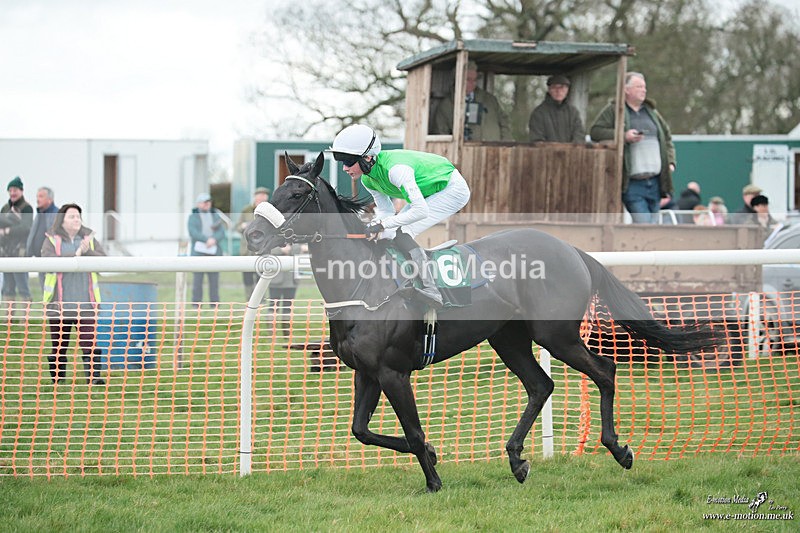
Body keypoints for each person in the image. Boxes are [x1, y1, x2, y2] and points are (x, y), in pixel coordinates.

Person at [330, 124, 471, 308]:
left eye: (348, 162)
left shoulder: (396, 170)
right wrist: (377, 225)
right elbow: (386, 211)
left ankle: (431, 290)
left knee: (402, 231)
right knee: (390, 233)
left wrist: (382, 224)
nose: (344, 168)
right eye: (341, 162)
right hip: (429, 192)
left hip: (452, 189)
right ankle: (400, 280)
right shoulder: (367, 179)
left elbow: (421, 211)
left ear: (367, 157)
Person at [589, 72, 676, 223]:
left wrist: (671, 162)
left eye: (644, 87)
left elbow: (667, 138)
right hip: (632, 182)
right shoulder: (614, 110)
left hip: (655, 181)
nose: (644, 90)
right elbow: (595, 132)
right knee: (644, 225)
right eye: (639, 87)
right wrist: (623, 136)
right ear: (626, 90)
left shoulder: (652, 112)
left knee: (653, 226)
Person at [41, 203, 107, 385]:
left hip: (86, 303)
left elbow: (104, 262)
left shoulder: (89, 239)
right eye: (72, 216)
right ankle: (58, 380)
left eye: (78, 216)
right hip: (59, 305)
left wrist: (87, 252)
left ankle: (94, 379)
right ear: (62, 220)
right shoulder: (50, 240)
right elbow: (47, 261)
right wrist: (75, 256)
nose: (76, 219)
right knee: (59, 346)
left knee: (89, 343)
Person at [432, 61, 511, 141]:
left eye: (474, 80)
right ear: (457, 79)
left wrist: (505, 145)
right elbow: (440, 135)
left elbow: (504, 123)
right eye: (468, 79)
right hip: (462, 152)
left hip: (493, 151)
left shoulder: (490, 100)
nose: (472, 83)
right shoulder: (446, 106)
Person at [188, 193, 226, 305]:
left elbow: (221, 232)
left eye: (208, 202)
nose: (207, 204)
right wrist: (206, 240)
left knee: (214, 281)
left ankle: (214, 304)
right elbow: (193, 232)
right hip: (198, 253)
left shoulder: (215, 215)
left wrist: (214, 239)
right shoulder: (193, 217)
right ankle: (196, 304)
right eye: (204, 202)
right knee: (197, 281)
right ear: (199, 204)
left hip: (214, 252)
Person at [1, 176, 34, 304]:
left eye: (15, 190)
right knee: (7, 288)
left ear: (21, 191)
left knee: (23, 287)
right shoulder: (4, 208)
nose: (12, 193)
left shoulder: (27, 208)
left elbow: (25, 227)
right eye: (10, 190)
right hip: (5, 252)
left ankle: (24, 321)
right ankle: (8, 320)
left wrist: (8, 230)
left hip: (20, 252)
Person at [528, 74, 584, 143]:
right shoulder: (538, 113)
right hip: (546, 153)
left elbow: (579, 136)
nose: (558, 91)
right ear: (549, 89)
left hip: (571, 153)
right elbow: (537, 140)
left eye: (562, 87)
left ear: (567, 90)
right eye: (554, 87)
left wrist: (571, 150)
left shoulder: (573, 112)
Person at [236, 186, 270, 299]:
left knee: (260, 276)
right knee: (247, 277)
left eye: (263, 196)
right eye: (259, 196)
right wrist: (243, 226)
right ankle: (248, 300)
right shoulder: (246, 210)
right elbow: (237, 227)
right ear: (255, 197)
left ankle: (261, 301)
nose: (261, 198)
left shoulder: (270, 211)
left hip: (262, 250)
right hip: (247, 249)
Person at [27, 186, 59, 290]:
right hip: (39, 259)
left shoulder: (56, 214)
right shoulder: (39, 214)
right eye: (37, 196)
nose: (37, 199)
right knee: (44, 290)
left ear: (50, 199)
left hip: (51, 260)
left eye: (41, 196)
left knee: (53, 291)